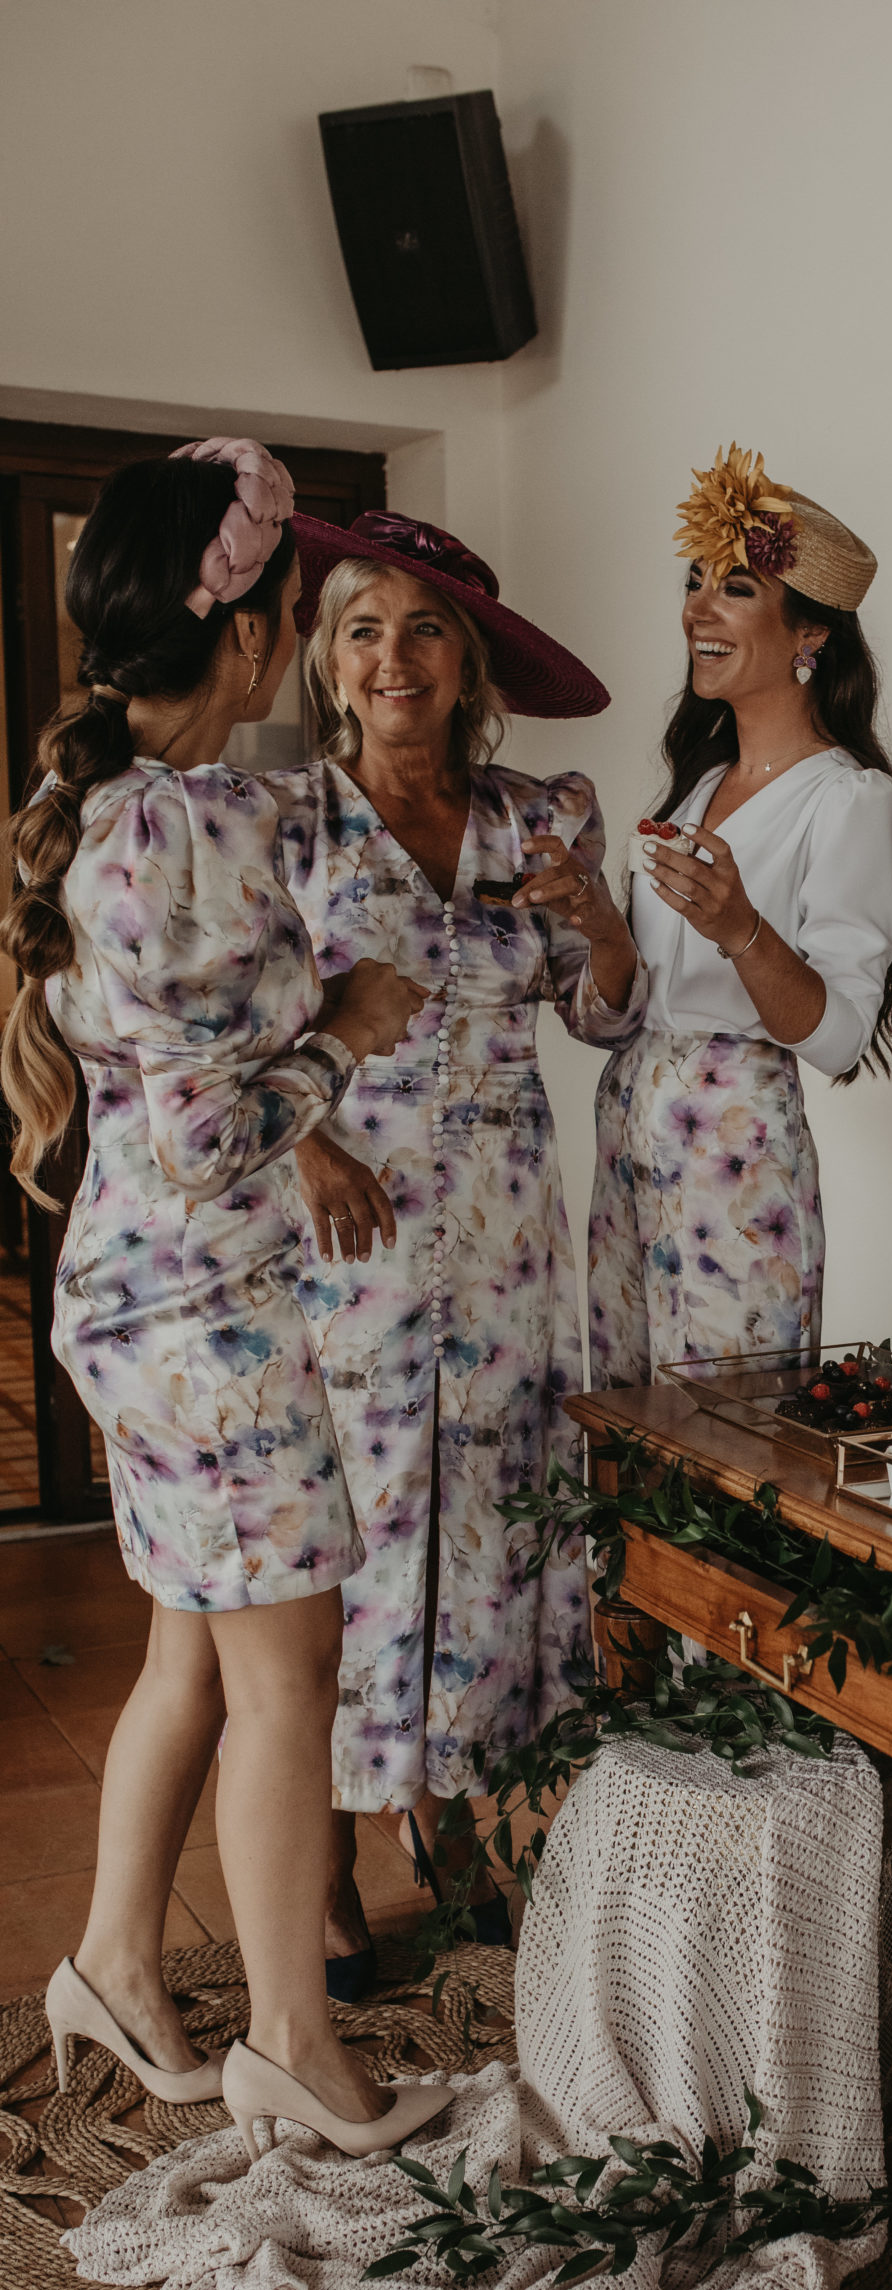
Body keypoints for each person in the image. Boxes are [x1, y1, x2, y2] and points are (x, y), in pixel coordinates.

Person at [5, 441, 448, 2158]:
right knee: (287, 1684)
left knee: (188, 1653)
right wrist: (346, 1029)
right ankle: (291, 2045)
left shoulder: (116, 816)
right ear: (256, 636)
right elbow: (207, 1131)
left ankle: (118, 1959)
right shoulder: (187, 826)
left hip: (130, 1302)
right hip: (206, 1316)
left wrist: (313, 1004)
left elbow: (166, 1072)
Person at [270, 512, 644, 1989]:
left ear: (469, 661)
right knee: (356, 1537)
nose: (392, 656)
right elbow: (223, 1032)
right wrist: (301, 1143)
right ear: (326, 660)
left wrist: (601, 921)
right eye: (363, 627)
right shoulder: (285, 828)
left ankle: (460, 1808)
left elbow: (600, 1014)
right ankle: (335, 1861)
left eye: (424, 628)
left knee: (486, 1521)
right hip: (343, 1227)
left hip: (499, 1237)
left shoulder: (542, 815)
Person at [580, 448, 892, 1384]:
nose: (697, 611)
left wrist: (743, 932)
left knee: (728, 1433)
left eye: (733, 588)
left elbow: (840, 1038)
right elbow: (627, 1008)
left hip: (735, 1150)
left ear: (810, 635)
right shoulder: (694, 791)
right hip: (632, 1125)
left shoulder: (848, 800)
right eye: (693, 585)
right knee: (629, 1421)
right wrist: (595, 918)